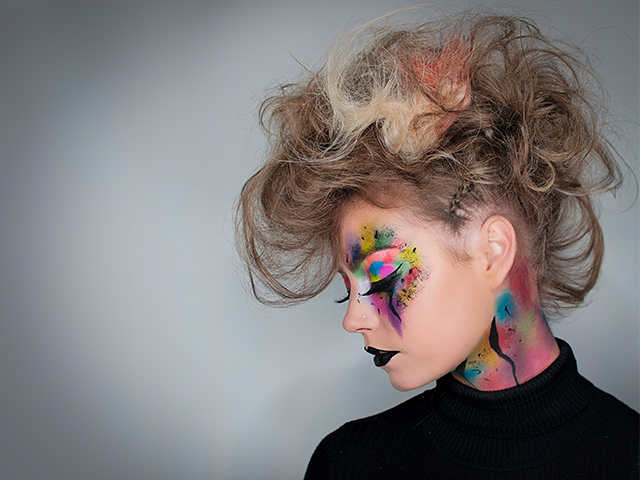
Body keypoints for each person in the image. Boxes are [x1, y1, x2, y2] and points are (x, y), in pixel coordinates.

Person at [235, 9, 639, 479]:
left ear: (493, 251)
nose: (352, 320)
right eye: (347, 290)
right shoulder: (348, 464)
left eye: (381, 275)